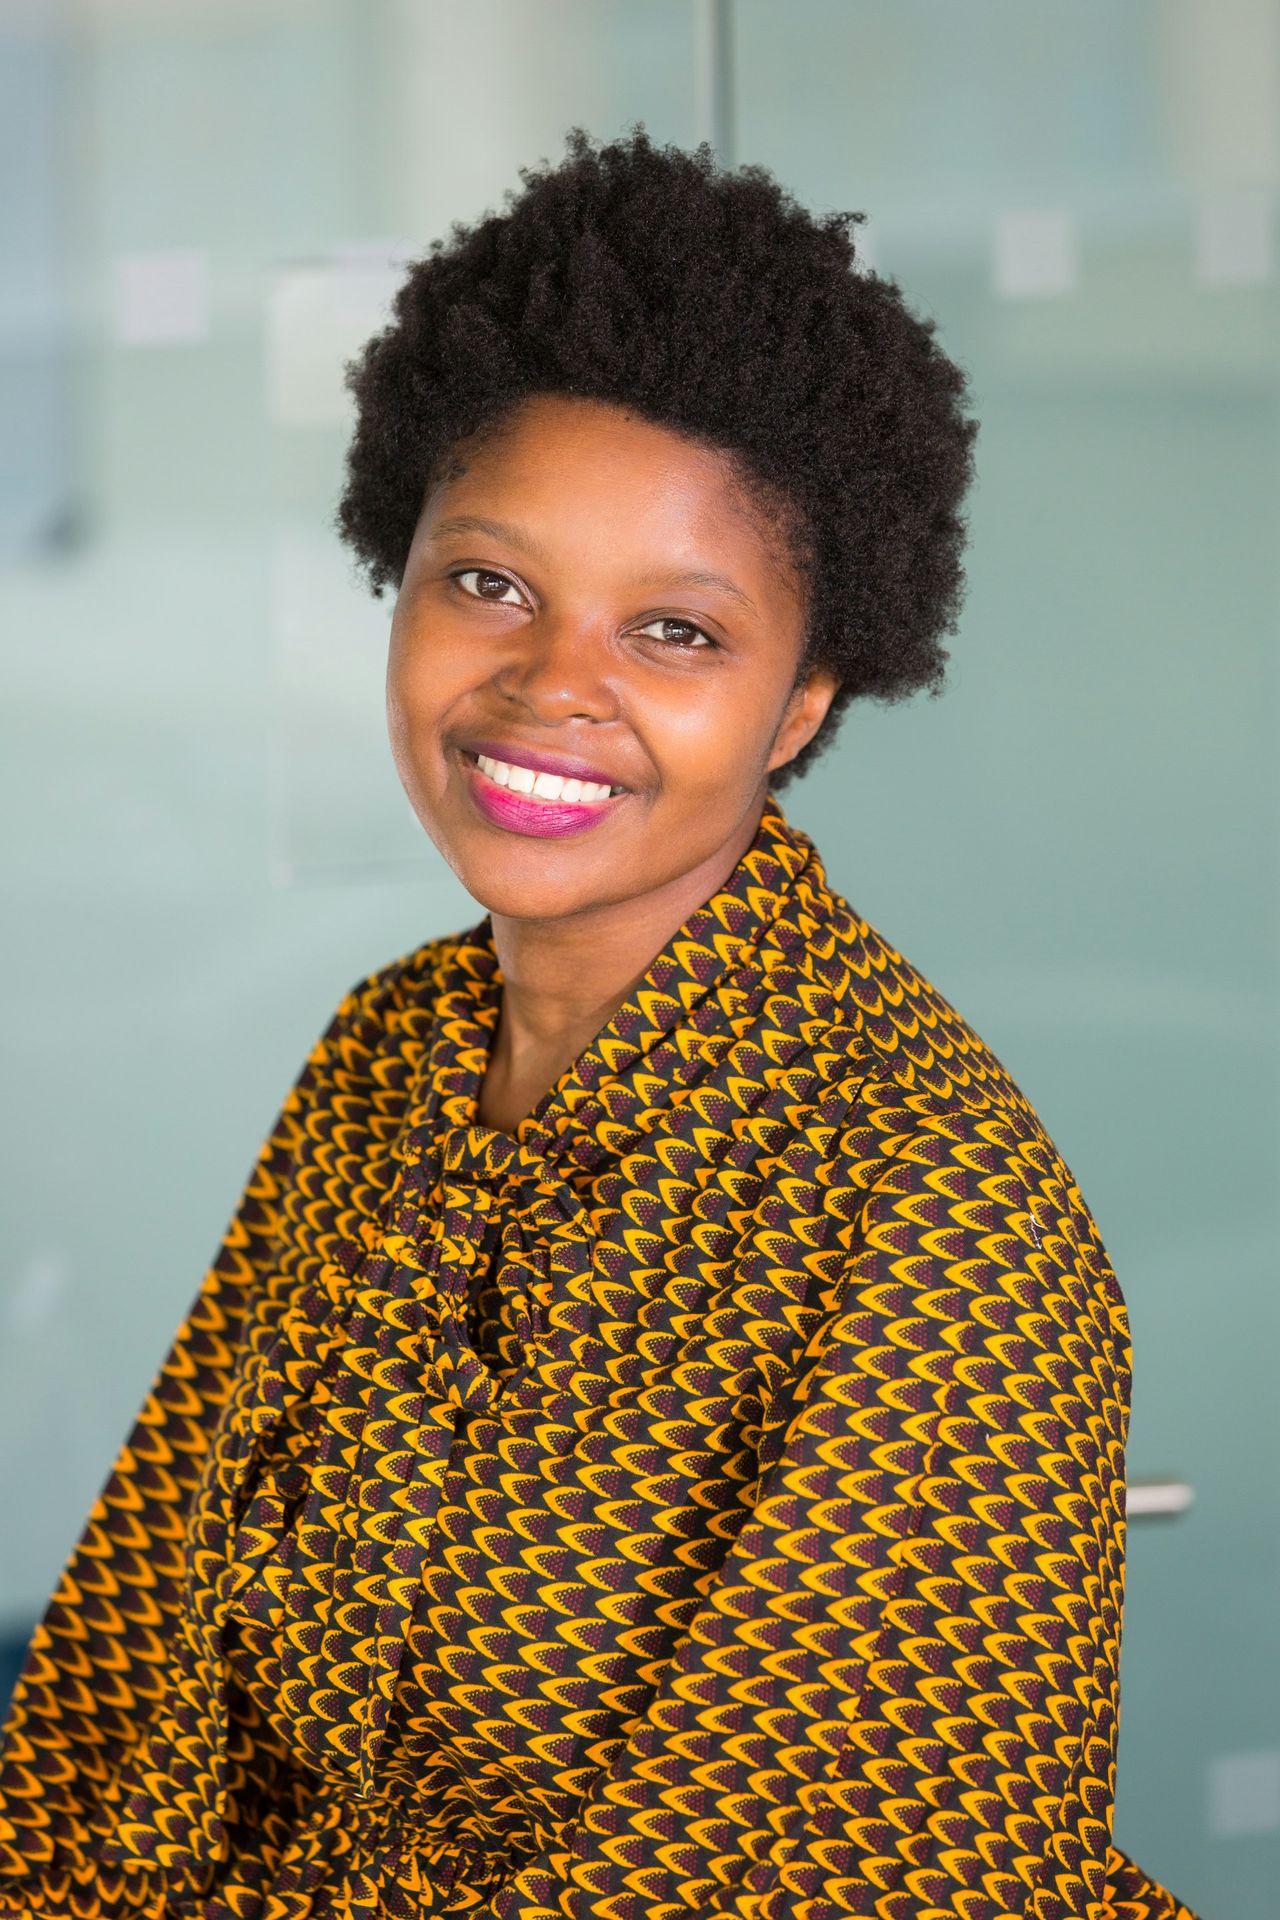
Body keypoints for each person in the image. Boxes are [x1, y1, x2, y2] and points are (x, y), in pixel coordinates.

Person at [0, 125, 1196, 1920]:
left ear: (806, 698)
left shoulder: (929, 1213)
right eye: (487, 581)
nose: (551, 688)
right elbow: (129, 1687)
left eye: (678, 632)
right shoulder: (384, 1056)